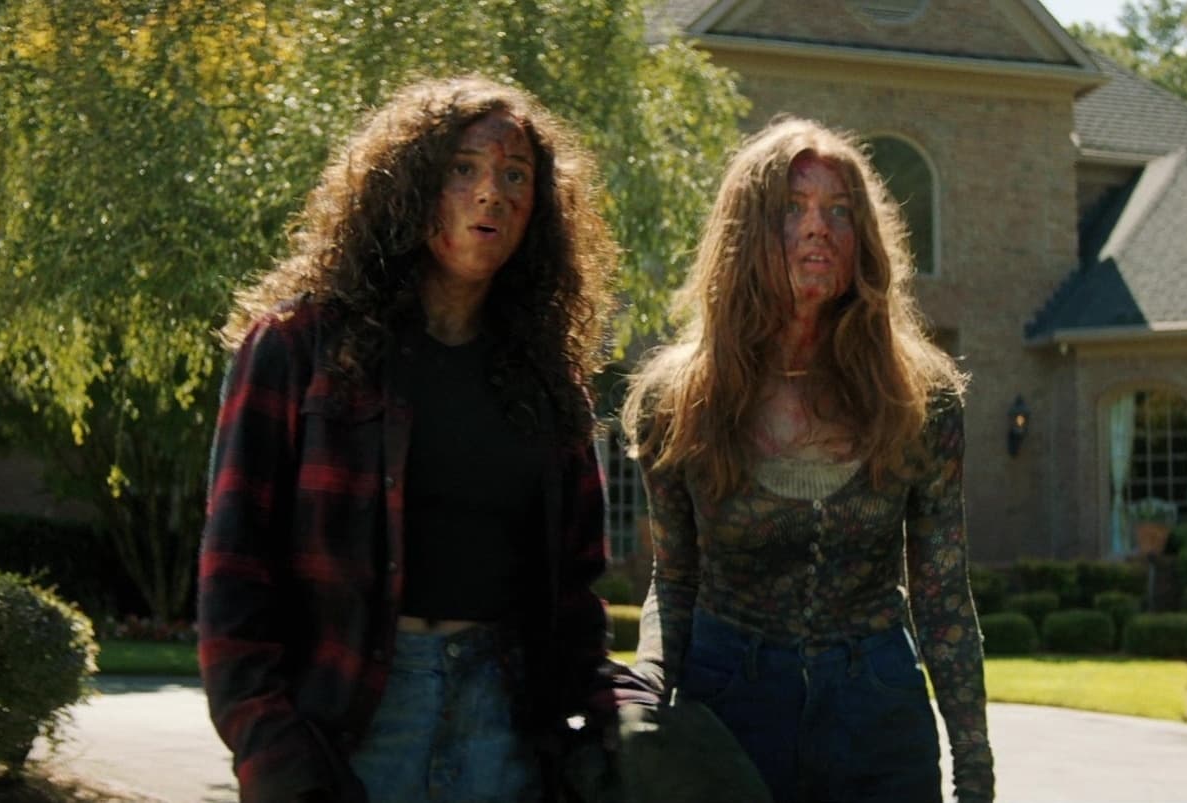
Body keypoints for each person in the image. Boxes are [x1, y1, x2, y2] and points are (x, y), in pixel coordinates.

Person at [198, 75, 630, 803]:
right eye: (463, 167)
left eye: (515, 174)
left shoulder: (548, 381)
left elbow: (574, 590)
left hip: (504, 721)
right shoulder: (298, 347)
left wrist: (607, 721)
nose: (491, 192)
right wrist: (271, 748)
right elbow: (235, 572)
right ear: (407, 184)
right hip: (348, 725)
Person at [621, 117, 995, 803]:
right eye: (793, 208)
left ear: (864, 240)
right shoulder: (678, 400)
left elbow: (942, 592)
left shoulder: (921, 397)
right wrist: (645, 687)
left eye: (839, 210)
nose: (819, 227)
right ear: (746, 234)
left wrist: (975, 771)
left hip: (877, 707)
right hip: (730, 708)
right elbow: (673, 578)